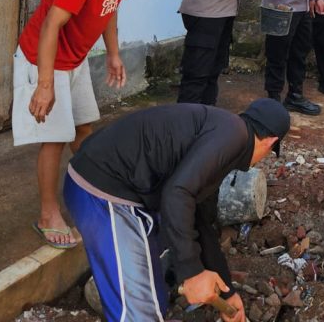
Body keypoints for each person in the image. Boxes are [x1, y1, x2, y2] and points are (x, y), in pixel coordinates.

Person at [13, 0, 166, 248]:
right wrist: (44, 83)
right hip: (45, 59)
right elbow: (51, 25)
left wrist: (113, 53)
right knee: (54, 138)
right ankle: (48, 215)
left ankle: (101, 189)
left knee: (84, 129)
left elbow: (109, 9)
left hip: (75, 60)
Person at [64, 98, 290, 322]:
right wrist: (192, 271)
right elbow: (177, 193)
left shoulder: (222, 135)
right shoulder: (234, 134)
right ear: (270, 142)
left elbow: (198, 220)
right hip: (102, 189)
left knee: (154, 297)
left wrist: (228, 291)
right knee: (138, 313)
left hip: (111, 186)